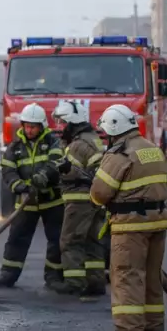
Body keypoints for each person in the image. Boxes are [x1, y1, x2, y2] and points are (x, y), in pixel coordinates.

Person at [89, 104, 167, 331]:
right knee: (152, 275)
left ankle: (129, 327)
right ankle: (154, 325)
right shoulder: (152, 149)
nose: (106, 137)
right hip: (157, 222)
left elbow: (99, 194)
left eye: (107, 132)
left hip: (130, 225)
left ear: (115, 129)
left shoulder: (119, 154)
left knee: (127, 274)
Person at [0, 103, 66, 289]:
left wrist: (43, 177)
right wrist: (19, 186)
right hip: (26, 202)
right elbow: (8, 169)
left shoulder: (53, 142)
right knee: (17, 237)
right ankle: (8, 274)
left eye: (33, 126)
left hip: (51, 200)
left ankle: (54, 277)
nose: (29, 130)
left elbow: (55, 163)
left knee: (56, 239)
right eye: (26, 126)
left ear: (42, 126)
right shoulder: (15, 146)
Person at [52, 100, 107, 298]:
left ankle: (74, 282)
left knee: (70, 240)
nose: (60, 128)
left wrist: (62, 172)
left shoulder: (77, 146)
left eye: (63, 123)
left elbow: (74, 172)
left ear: (73, 123)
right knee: (92, 241)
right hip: (94, 200)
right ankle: (96, 281)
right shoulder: (91, 139)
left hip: (79, 200)